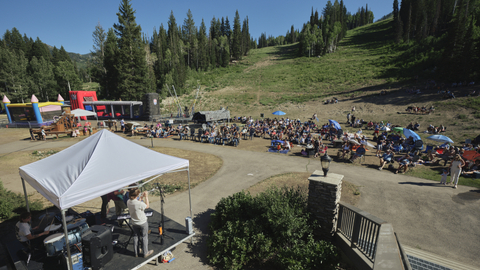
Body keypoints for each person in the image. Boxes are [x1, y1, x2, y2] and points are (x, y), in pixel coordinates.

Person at [127, 189, 153, 258]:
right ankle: (145, 253)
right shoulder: (139, 204)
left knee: (135, 236)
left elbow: (136, 205)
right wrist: (146, 197)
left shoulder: (128, 201)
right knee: (144, 237)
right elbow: (147, 206)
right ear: (136, 195)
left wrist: (140, 198)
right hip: (142, 222)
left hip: (134, 222)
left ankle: (136, 252)